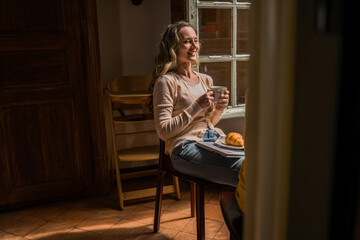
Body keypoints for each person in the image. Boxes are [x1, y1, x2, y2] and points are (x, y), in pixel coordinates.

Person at [149, 21, 245, 187]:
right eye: (186, 41)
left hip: (214, 139)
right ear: (173, 47)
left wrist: (219, 109)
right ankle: (235, 210)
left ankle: (234, 209)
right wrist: (196, 106)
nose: (194, 46)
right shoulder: (166, 82)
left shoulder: (205, 79)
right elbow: (164, 132)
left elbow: (206, 123)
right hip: (184, 147)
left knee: (256, 163)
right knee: (245, 170)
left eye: (196, 40)